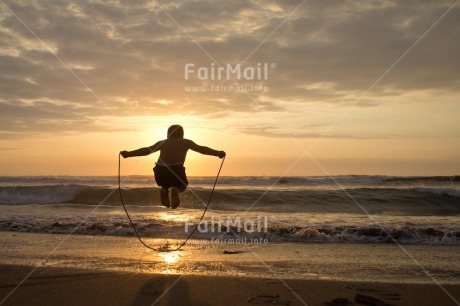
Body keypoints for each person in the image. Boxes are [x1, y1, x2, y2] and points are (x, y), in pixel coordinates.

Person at [120, 125, 225, 209]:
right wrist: (218, 153)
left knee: (164, 184)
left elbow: (146, 150)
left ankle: (164, 189)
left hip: (160, 170)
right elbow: (202, 149)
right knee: (183, 186)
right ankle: (176, 190)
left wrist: (128, 154)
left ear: (168, 134)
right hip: (176, 169)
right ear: (182, 134)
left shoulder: (162, 142)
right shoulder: (186, 142)